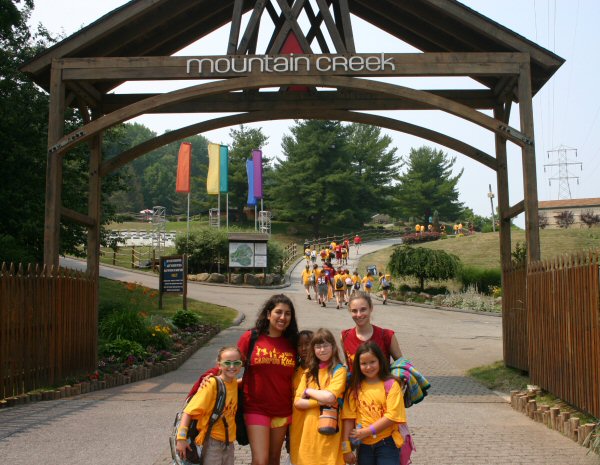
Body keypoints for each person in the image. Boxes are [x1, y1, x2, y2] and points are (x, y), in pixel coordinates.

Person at [237, 294, 299, 465]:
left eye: (287, 313)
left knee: (273, 459)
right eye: (278, 312)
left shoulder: (293, 343)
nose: (283, 317)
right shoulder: (251, 338)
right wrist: (211, 378)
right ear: (268, 314)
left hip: (283, 409)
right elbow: (230, 364)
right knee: (260, 460)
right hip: (255, 407)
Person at [341, 342, 407, 465]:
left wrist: (367, 431)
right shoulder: (354, 388)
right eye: (363, 363)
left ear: (380, 361)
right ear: (358, 365)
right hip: (363, 446)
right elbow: (348, 418)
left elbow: (392, 416)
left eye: (372, 362)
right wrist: (346, 449)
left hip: (387, 444)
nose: (368, 367)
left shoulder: (391, 385)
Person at [176, 346, 242, 465]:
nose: (232, 366)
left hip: (229, 442)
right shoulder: (211, 384)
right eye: (227, 363)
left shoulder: (233, 383)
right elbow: (188, 411)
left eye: (236, 363)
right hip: (212, 441)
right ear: (219, 365)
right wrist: (181, 438)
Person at [294, 328, 347, 465]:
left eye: (325, 345)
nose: (322, 350)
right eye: (318, 346)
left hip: (330, 430)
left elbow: (330, 397)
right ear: (313, 349)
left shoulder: (339, 371)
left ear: (333, 347)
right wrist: (319, 401)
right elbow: (297, 402)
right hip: (309, 433)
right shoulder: (308, 372)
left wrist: (308, 391)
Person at [341, 292, 403, 370]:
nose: (359, 314)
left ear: (371, 308)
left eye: (363, 309)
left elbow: (402, 366)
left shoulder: (387, 336)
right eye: (354, 311)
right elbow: (347, 363)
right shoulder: (345, 336)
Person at [290, 330, 314, 465]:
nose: (304, 348)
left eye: (308, 344)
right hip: (296, 423)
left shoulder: (320, 370)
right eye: (300, 345)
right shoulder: (294, 370)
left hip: (314, 421)